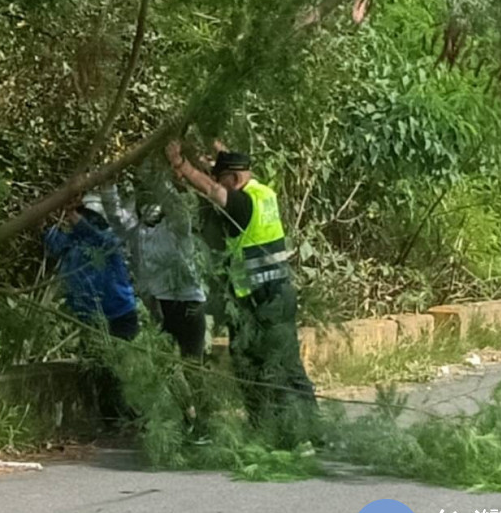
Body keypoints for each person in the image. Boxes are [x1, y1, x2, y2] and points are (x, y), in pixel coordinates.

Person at [165, 140, 317, 438]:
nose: (221, 187)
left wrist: (182, 165)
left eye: (223, 179)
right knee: (288, 366)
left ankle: (283, 433)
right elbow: (220, 181)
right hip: (277, 293)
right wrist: (219, 156)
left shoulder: (242, 203)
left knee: (264, 368)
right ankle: (311, 430)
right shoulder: (264, 194)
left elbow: (213, 190)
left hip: (261, 302)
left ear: (234, 180)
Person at [100, 180, 207, 358]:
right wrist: (107, 184)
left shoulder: (178, 228)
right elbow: (116, 216)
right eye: (144, 203)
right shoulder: (136, 232)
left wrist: (157, 178)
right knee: (163, 365)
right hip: (159, 306)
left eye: (154, 203)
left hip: (189, 305)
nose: (150, 209)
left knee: (192, 364)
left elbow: (177, 208)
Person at [42, 193, 140, 340]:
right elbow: (57, 243)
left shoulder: (110, 241)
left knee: (118, 356)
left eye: (86, 216)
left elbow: (100, 239)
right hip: (90, 317)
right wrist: (41, 226)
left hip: (120, 314)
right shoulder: (74, 243)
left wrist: (79, 222)